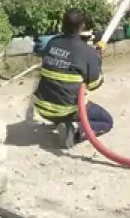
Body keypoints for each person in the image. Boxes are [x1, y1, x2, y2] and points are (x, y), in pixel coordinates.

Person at [33, 9, 114, 149]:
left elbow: (68, 59)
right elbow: (94, 85)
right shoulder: (88, 53)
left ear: (62, 24)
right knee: (106, 121)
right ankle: (75, 129)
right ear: (82, 26)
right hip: (65, 110)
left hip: (42, 107)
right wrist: (97, 62)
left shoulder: (52, 43)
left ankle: (64, 123)